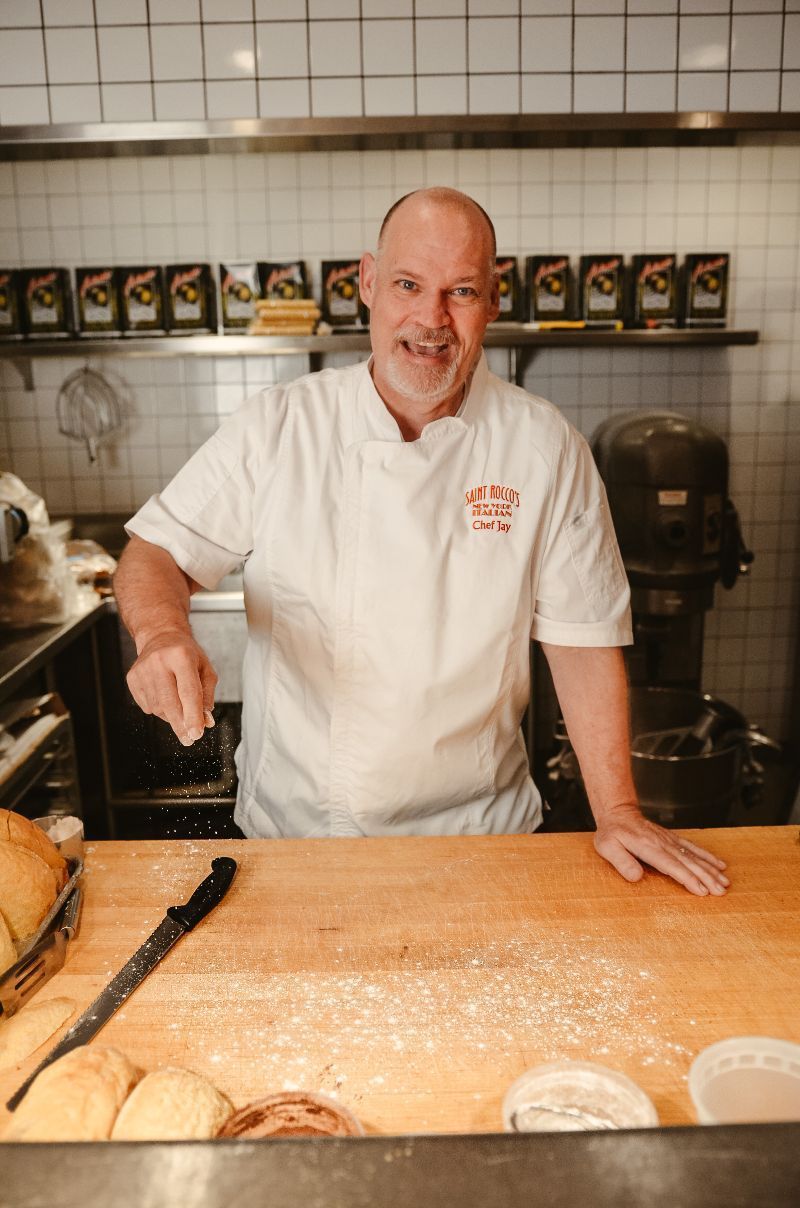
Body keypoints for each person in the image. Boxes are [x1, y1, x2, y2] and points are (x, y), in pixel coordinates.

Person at [115, 187, 729, 898]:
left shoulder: (544, 448)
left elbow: (583, 640)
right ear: (369, 283)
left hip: (483, 842)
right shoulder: (282, 426)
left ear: (493, 300)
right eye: (408, 285)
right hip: (302, 842)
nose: (431, 319)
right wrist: (162, 633)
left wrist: (619, 810)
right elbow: (155, 552)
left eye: (460, 291)